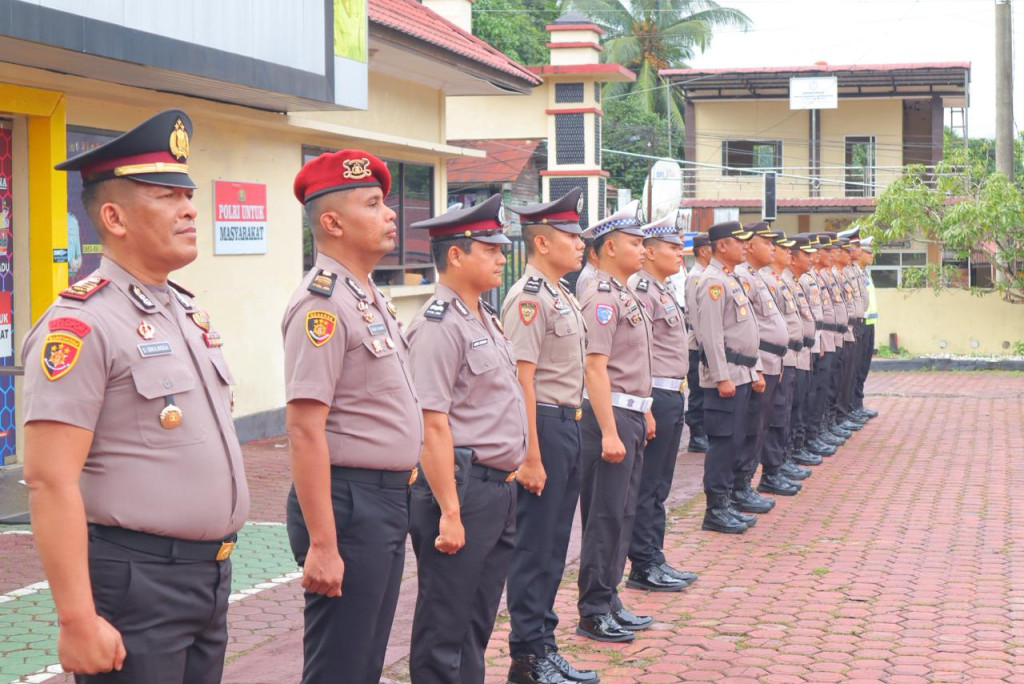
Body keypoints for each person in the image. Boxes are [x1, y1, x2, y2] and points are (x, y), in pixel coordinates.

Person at [22, 109, 249, 683]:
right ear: (114, 218)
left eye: (188, 195)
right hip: (136, 582)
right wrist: (77, 619)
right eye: (165, 196)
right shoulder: (81, 325)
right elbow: (50, 478)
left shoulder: (184, 310)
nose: (190, 209)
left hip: (209, 578)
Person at [283, 149, 423, 683]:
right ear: (332, 222)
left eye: (386, 202)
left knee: (364, 658)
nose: (390, 214)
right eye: (373, 203)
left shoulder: (367, 296)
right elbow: (303, 426)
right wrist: (323, 543)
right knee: (339, 663)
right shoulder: (323, 305)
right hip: (349, 503)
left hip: (384, 499)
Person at [405, 194, 529, 683]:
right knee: (445, 627)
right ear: (456, 254)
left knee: (475, 624)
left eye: (502, 248)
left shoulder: (483, 318)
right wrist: (451, 512)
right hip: (458, 489)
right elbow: (430, 423)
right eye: (490, 249)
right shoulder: (437, 325)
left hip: (495, 490)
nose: (502, 257)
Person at [502, 189, 596, 684]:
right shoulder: (529, 299)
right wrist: (530, 457)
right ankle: (527, 656)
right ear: (541, 241)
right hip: (542, 427)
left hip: (568, 424)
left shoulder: (560, 293)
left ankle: (544, 642)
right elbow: (521, 381)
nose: (580, 244)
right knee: (535, 547)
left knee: (555, 545)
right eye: (571, 235)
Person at [574, 201, 655, 643]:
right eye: (634, 242)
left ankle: (609, 596)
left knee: (623, 512)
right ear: (607, 248)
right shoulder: (602, 298)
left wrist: (647, 411)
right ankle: (592, 609)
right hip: (611, 416)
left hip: (631, 412)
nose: (642, 249)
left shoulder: (625, 293)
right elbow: (595, 367)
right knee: (604, 514)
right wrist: (608, 429)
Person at [625, 213, 699, 593]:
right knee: (648, 485)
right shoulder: (641, 289)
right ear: (650, 252)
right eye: (673, 248)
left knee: (659, 486)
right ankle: (643, 563)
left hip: (673, 392)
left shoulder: (663, 289)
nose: (680, 254)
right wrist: (648, 405)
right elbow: (641, 353)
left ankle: (653, 555)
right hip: (655, 394)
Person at [695, 221, 764, 534]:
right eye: (739, 242)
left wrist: (755, 368)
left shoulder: (731, 279)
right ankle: (716, 508)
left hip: (743, 372)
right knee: (723, 443)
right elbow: (710, 335)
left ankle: (729, 502)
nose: (745, 247)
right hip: (727, 376)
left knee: (736, 438)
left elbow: (748, 330)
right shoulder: (712, 282)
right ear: (722, 245)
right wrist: (721, 377)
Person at [733, 223, 798, 502]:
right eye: (767, 242)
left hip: (775, 359)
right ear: (749, 246)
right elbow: (746, 330)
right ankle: (742, 485)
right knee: (753, 427)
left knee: (769, 420)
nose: (772, 248)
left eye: (775, 243)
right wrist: (757, 366)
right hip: (760, 362)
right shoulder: (743, 278)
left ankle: (758, 479)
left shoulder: (758, 277)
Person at [763, 231, 813, 483]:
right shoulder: (770, 281)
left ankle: (784, 459)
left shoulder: (783, 281)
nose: (776, 251)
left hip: (792, 354)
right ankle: (774, 468)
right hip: (779, 357)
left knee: (790, 410)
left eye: (778, 248)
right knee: (779, 414)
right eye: (781, 248)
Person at [782, 235, 824, 467]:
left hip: (804, 351)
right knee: (790, 407)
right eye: (806, 255)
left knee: (802, 401)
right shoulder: (782, 282)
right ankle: (787, 454)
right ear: (792, 258)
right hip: (788, 355)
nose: (812, 259)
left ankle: (797, 446)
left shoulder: (796, 281)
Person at [684, 233, 712, 453]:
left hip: (704, 342)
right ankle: (696, 434)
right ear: (704, 250)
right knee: (698, 390)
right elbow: (695, 314)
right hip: (697, 344)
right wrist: (705, 345)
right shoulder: (696, 276)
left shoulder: (706, 274)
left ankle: (703, 431)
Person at [851, 236, 879, 420]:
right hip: (859, 324)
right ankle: (853, 406)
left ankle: (858, 404)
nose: (872, 255)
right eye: (868, 252)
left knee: (863, 367)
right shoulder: (854, 273)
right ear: (859, 252)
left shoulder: (865, 273)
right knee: (854, 368)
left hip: (869, 324)